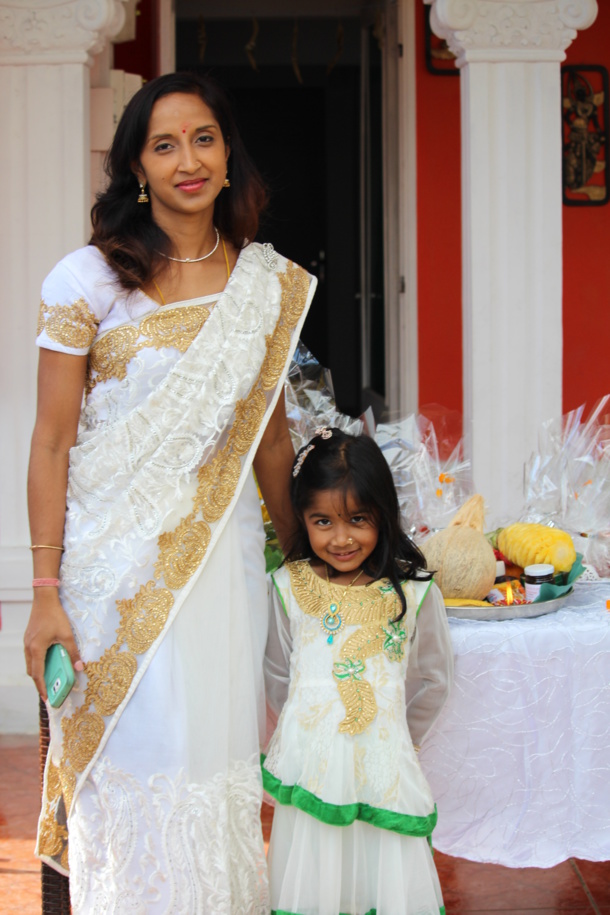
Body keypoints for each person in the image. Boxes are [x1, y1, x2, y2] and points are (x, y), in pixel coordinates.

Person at [23, 71, 316, 912]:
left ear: (228, 160)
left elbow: (271, 440)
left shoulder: (263, 285)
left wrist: (303, 563)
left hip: (216, 571)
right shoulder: (86, 279)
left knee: (209, 765)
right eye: (163, 144)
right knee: (128, 769)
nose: (187, 159)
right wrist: (43, 593)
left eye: (203, 139)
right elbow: (50, 442)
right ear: (136, 169)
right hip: (105, 577)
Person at [263, 428, 453, 915]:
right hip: (312, 771)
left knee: (382, 881)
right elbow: (278, 674)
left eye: (358, 520)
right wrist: (307, 734)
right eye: (322, 521)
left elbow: (434, 679)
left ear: (383, 515)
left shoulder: (412, 591)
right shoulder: (288, 587)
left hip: (384, 765)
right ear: (302, 519)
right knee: (316, 885)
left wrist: (400, 739)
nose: (341, 538)